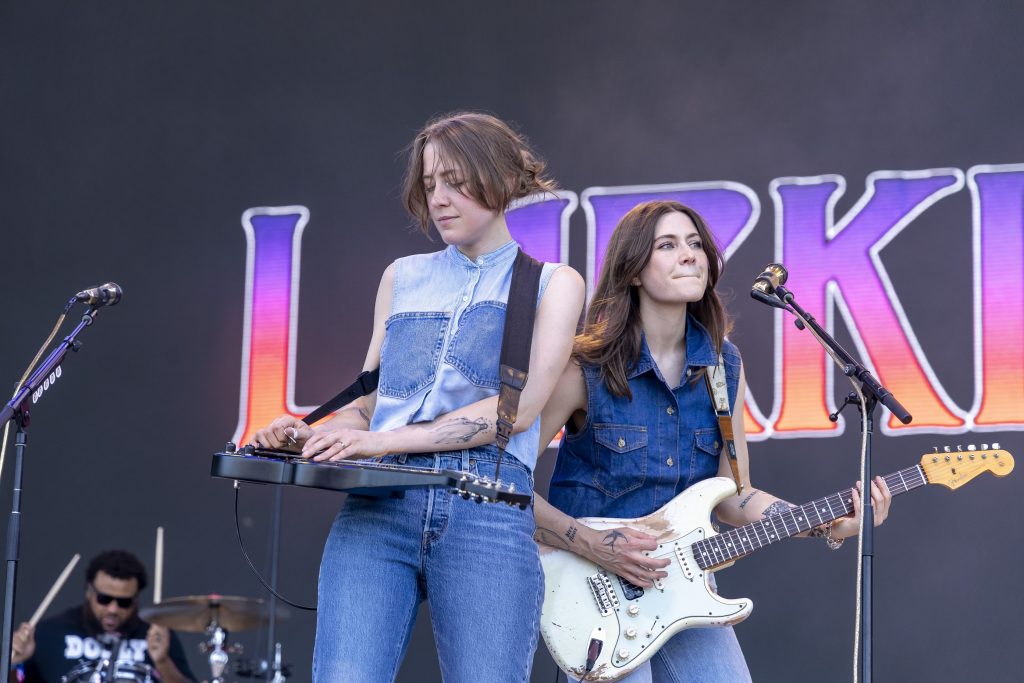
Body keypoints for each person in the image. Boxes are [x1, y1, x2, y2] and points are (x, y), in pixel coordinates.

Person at [252, 111, 585, 682]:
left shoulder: (554, 282)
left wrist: (381, 441)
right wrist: (312, 434)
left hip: (487, 509)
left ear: (504, 179)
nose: (439, 199)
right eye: (430, 184)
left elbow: (518, 410)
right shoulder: (401, 276)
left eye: (455, 181)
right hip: (379, 507)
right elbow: (369, 402)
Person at [533, 200, 893, 682]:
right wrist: (596, 544)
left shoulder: (724, 366)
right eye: (667, 245)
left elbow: (734, 496)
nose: (689, 255)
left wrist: (828, 525)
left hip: (684, 592)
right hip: (592, 595)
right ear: (633, 270)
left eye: (695, 244)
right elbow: (504, 484)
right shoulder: (587, 368)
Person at [10, 550, 194, 683]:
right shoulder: (52, 632)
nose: (113, 609)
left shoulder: (155, 635)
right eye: (104, 599)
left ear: (136, 599)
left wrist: (162, 662)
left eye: (124, 602)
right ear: (89, 591)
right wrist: (15, 663)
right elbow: (17, 680)